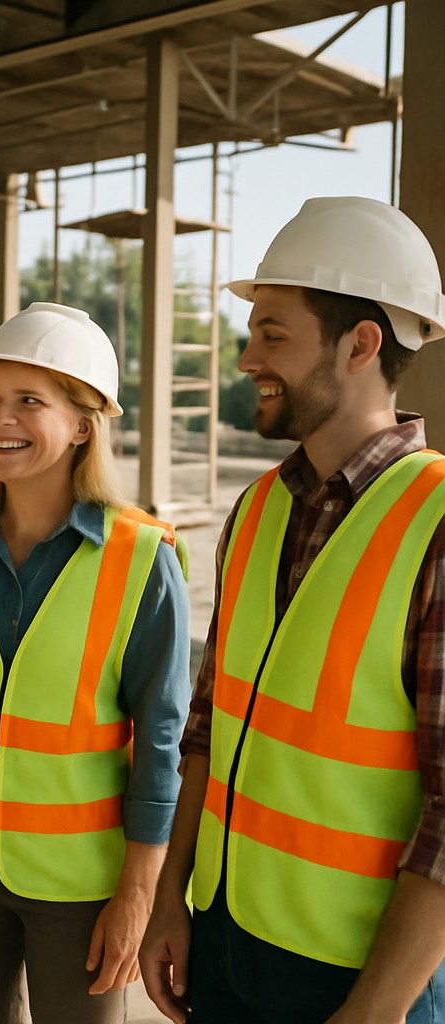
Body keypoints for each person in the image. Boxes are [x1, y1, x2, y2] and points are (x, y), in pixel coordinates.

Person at [139, 196, 445, 1024]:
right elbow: (209, 726)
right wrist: (171, 899)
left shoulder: (437, 523)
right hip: (224, 943)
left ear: (361, 345)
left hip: (358, 982)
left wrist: (371, 1012)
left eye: (273, 335)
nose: (247, 358)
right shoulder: (256, 511)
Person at [0, 302, 191, 1024]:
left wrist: (138, 894)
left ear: (83, 425)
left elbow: (162, 744)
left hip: (81, 884)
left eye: (29, 401)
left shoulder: (143, 560)